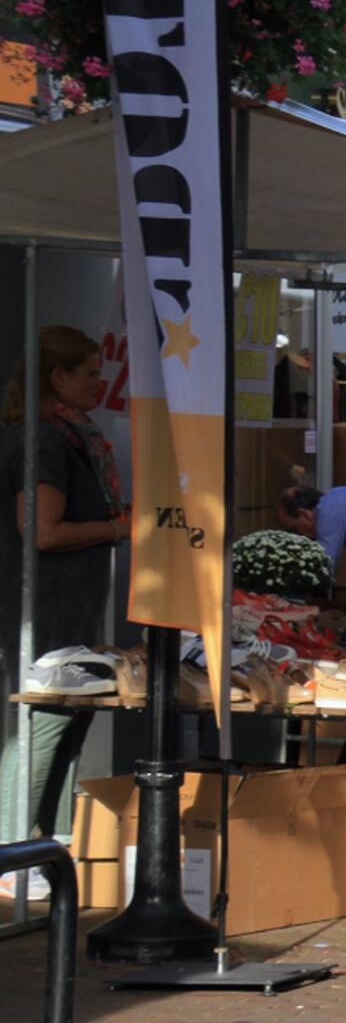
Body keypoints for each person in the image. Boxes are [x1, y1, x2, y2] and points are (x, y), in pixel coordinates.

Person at [0, 327, 126, 881]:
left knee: (67, 721)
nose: (100, 383)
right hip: (46, 605)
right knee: (44, 720)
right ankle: (11, 853)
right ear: (59, 377)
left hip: (69, 601)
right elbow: (43, 532)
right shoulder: (46, 440)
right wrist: (117, 527)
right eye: (91, 372)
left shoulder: (71, 436)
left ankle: (45, 851)